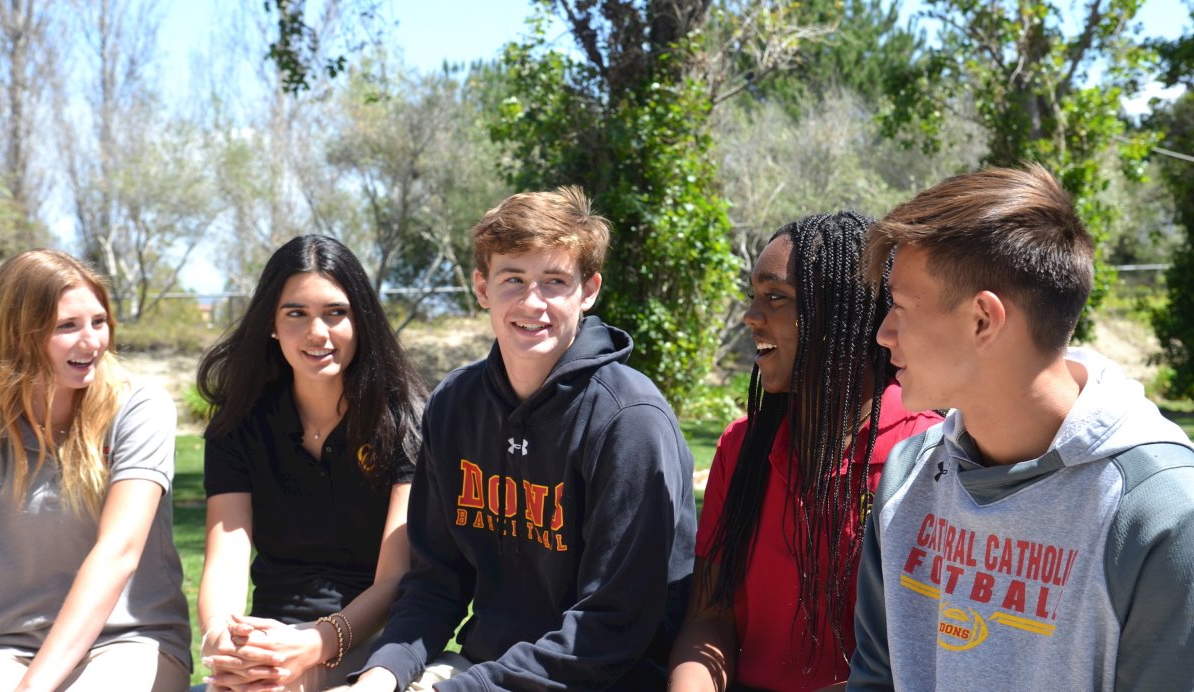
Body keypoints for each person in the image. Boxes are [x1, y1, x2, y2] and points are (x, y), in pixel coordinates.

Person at [847, 164, 1194, 691]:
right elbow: (876, 677)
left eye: (897, 306)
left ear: (983, 320)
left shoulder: (1162, 514)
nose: (883, 334)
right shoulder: (907, 475)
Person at [349, 186, 696, 691]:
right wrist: (380, 676)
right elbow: (434, 584)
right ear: (482, 287)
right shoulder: (454, 405)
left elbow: (610, 630)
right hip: (483, 671)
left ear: (589, 290)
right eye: (513, 278)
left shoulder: (628, 420)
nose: (532, 302)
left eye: (554, 281)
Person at [667, 212, 942, 691]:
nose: (752, 315)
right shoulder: (742, 447)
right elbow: (710, 619)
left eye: (776, 297)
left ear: (845, 313)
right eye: (754, 295)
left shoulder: (927, 459)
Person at [196, 235, 426, 690]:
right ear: (271, 325)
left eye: (335, 313)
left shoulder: (406, 422)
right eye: (296, 313)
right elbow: (226, 559)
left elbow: (396, 578)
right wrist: (224, 640)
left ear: (360, 320)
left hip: (372, 638)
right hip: (268, 635)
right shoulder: (238, 425)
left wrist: (318, 642)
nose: (317, 333)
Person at [0, 249, 192, 691]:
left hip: (126, 642)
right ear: (19, 333)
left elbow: (118, 552)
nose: (92, 341)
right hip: (5, 646)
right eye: (68, 326)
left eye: (98, 322)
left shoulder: (139, 408)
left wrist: (33, 687)